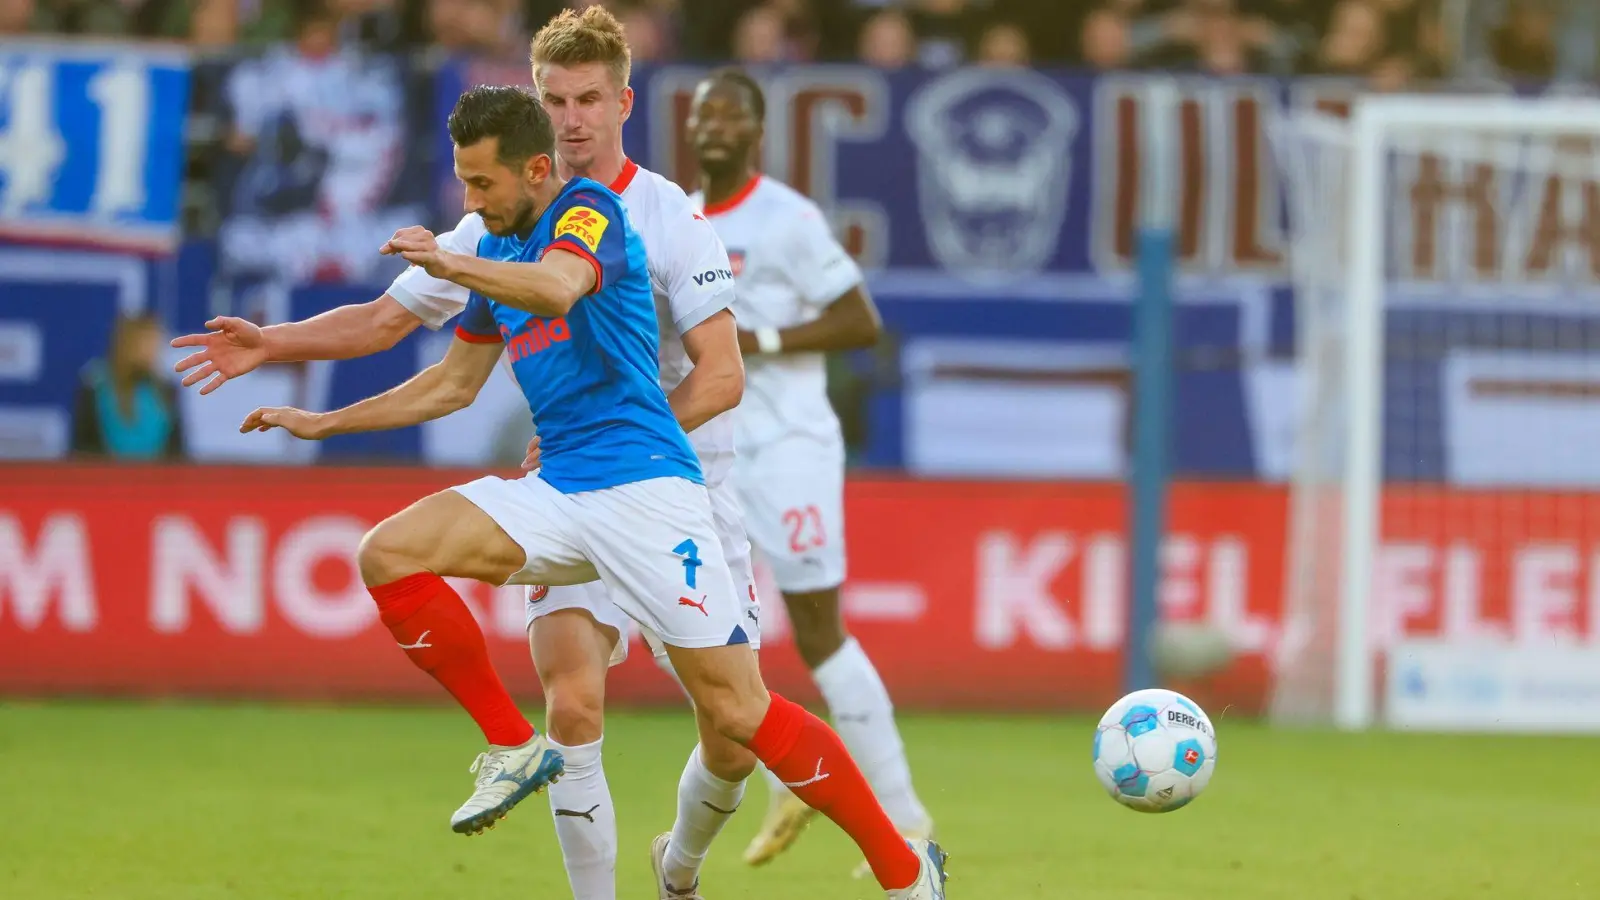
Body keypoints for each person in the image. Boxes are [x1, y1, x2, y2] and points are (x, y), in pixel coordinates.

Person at [183, 83, 949, 900]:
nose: (470, 204)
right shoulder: (495, 243)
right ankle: (513, 746)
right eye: (463, 187)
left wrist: (449, 258)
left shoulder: (587, 213)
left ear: (536, 169)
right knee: (392, 555)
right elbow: (448, 384)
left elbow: (557, 288)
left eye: (482, 186)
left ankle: (907, 874)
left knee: (738, 716)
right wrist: (317, 414)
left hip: (649, 492)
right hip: (557, 489)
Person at [687, 67, 936, 873]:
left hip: (790, 444)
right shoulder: (678, 220)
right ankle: (787, 780)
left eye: (731, 115)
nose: (715, 125)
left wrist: (761, 344)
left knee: (820, 629)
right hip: (708, 454)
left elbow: (860, 321)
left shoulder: (787, 218)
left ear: (756, 133)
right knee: (727, 638)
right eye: (703, 114)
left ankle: (907, 822)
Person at [72, 312, 186, 460]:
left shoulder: (167, 391)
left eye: (156, 341)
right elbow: (81, 451)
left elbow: (177, 455)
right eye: (147, 341)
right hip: (105, 480)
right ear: (128, 344)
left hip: (156, 481)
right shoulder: (94, 389)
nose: (154, 349)